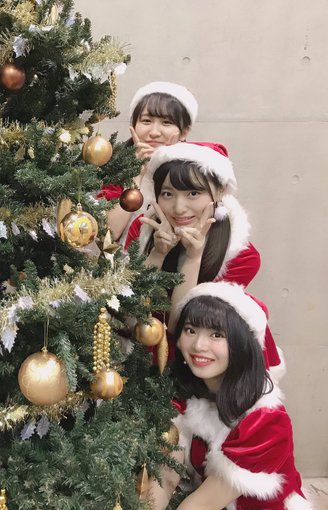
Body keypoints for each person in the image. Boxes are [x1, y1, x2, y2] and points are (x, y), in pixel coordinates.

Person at [124, 142, 284, 375]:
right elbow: (129, 309)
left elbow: (183, 325)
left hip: (203, 364)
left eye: (193, 193)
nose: (179, 208)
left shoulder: (242, 257)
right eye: (167, 194)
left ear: (219, 192)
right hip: (142, 355)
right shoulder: (142, 232)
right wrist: (157, 254)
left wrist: (193, 257)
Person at [149, 282, 311, 510]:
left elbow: (199, 506)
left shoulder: (264, 422)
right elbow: (165, 475)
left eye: (217, 334)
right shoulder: (188, 395)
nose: (198, 345)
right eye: (190, 330)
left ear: (241, 344)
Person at [100, 81, 198, 245]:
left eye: (166, 123)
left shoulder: (197, 172)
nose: (154, 132)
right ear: (133, 125)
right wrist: (136, 176)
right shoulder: (115, 168)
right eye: (146, 121)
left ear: (184, 132)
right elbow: (109, 233)